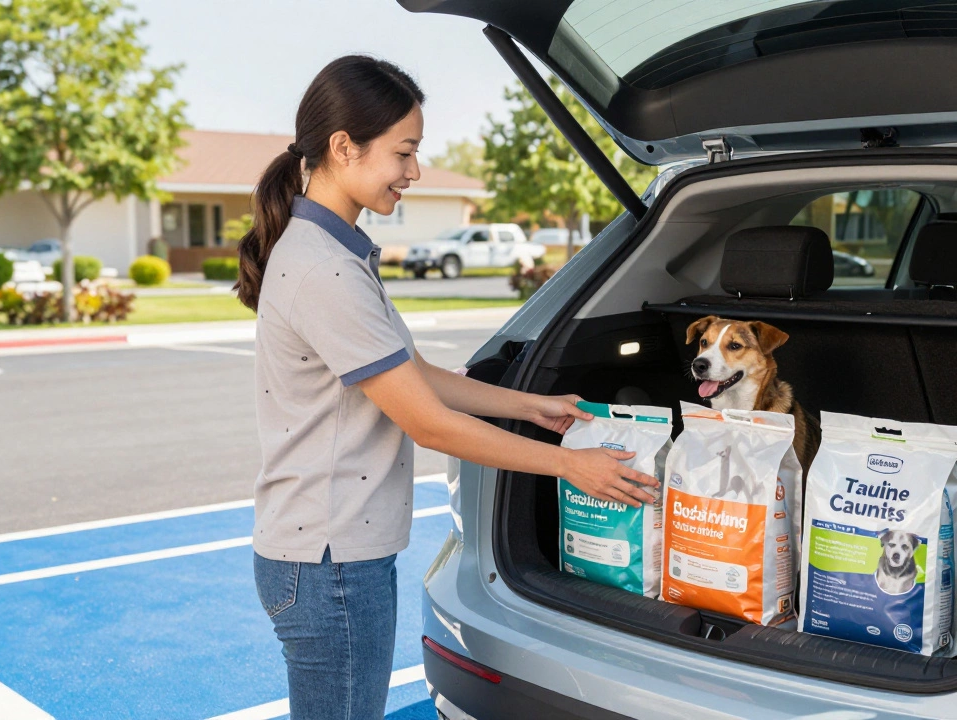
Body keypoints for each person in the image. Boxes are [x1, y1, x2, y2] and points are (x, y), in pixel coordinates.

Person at [233, 56, 658, 719]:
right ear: (345, 148)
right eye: (404, 152)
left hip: (326, 557)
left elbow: (412, 376)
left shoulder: (336, 251)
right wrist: (570, 466)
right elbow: (427, 422)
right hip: (330, 563)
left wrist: (532, 406)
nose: (415, 171)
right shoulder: (325, 271)